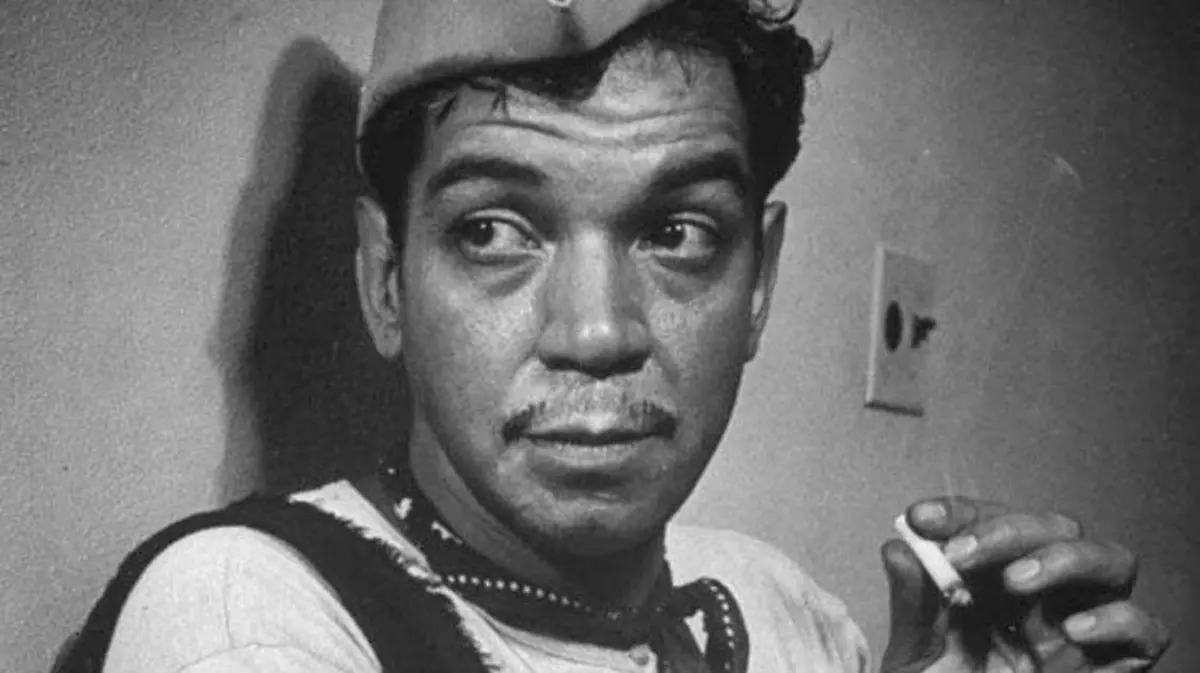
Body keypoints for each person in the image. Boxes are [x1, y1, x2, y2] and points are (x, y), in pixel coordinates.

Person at [76, 0, 1171, 671]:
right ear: (386, 280)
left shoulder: (780, 608)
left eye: (677, 231)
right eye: (494, 230)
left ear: (758, 282)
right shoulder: (244, 616)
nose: (597, 332)